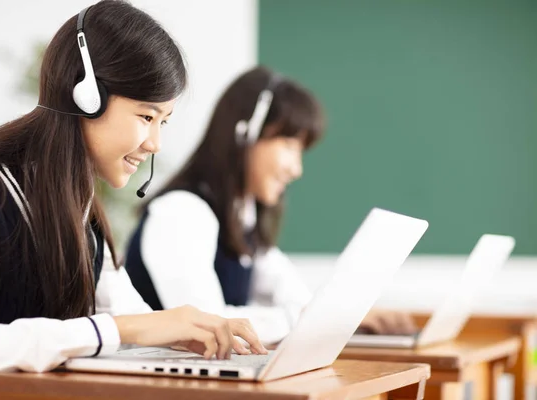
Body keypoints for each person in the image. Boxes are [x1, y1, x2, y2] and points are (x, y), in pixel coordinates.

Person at [0, 2, 265, 398]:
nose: (155, 143)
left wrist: (190, 332)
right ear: (86, 96)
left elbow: (124, 315)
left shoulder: (79, 206)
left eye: (163, 122)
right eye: (146, 117)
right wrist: (126, 330)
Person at [124, 66, 417, 345]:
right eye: (290, 146)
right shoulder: (182, 212)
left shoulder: (242, 217)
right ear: (244, 137)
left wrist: (352, 317)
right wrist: (300, 319)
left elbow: (293, 296)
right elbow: (208, 323)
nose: (296, 169)